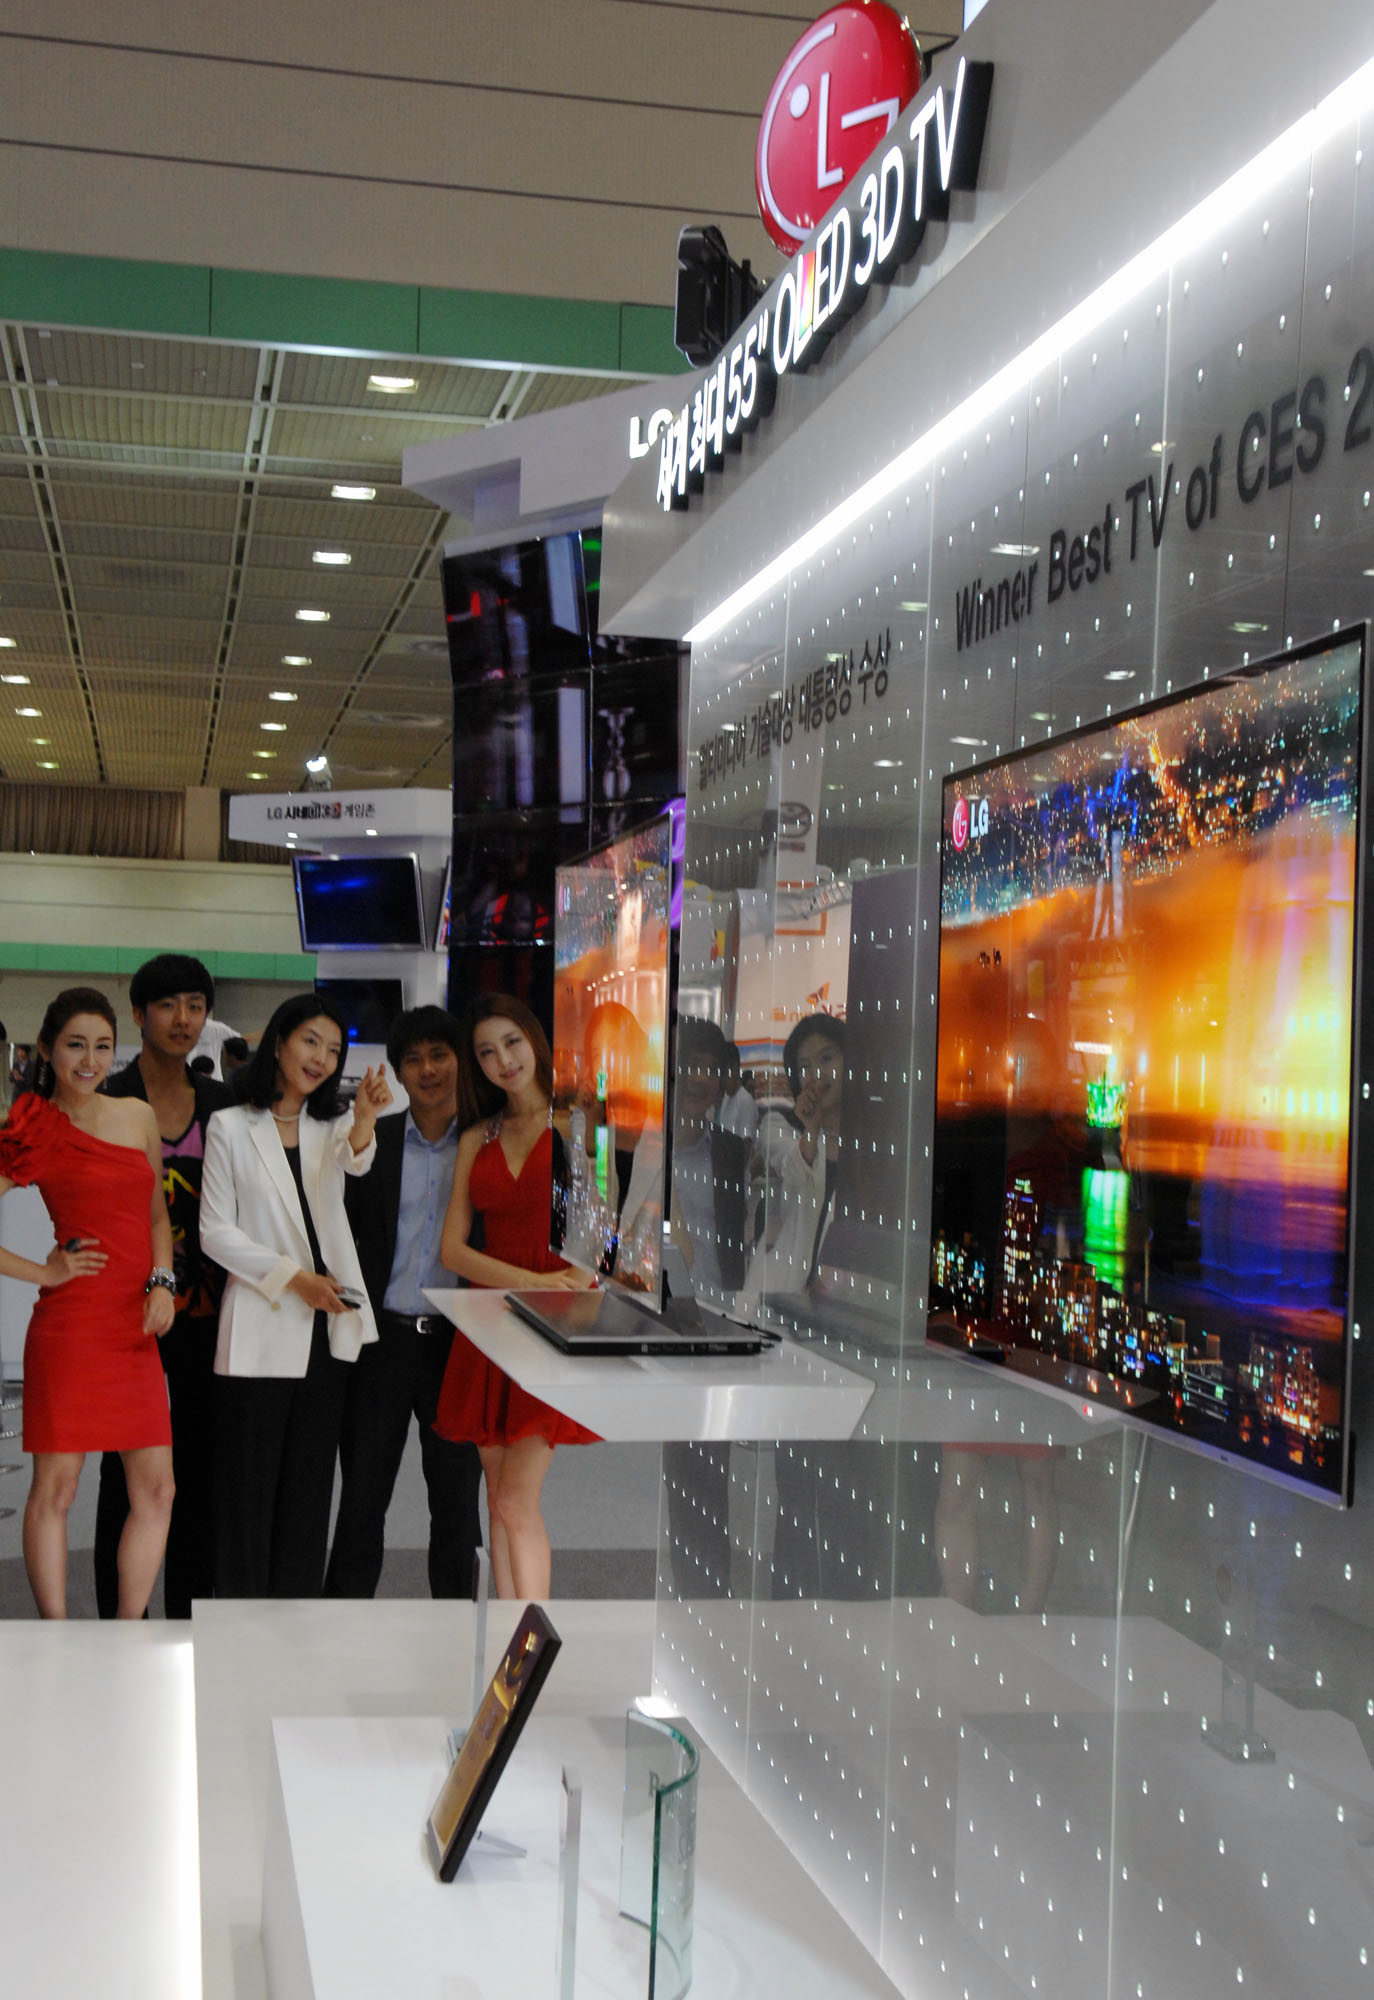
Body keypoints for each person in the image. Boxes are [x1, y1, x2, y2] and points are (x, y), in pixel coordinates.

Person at [199, 993, 392, 1596]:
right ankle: (240, 1620)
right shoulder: (231, 1125)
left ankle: (294, 1624)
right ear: (279, 1041)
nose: (321, 1057)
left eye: (333, 1050)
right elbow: (214, 1233)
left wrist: (363, 1119)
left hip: (326, 1328)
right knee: (247, 1490)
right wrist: (293, 1278)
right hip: (262, 1319)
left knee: (309, 1492)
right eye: (311, 1041)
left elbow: (356, 1161)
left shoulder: (332, 1125)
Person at [0, 987, 175, 1617]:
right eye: (75, 1045)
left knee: (157, 1490)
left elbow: (157, 1215)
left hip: (134, 1327)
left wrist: (163, 1281)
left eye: (102, 1046)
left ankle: (127, 1631)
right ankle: (56, 1633)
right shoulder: (35, 1127)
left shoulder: (136, 1116)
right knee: (58, 1488)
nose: (89, 1060)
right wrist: (43, 1273)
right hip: (71, 1328)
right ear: (47, 1048)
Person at [433, 994, 597, 1600]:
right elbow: (453, 1251)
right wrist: (529, 1283)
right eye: (486, 1051)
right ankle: (511, 1635)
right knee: (497, 1497)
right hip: (491, 1323)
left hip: (552, 1326)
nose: (503, 1060)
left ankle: (533, 1647)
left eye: (511, 1043)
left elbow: (597, 1245)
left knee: (514, 1499)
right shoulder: (477, 1137)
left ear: (534, 1041)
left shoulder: (580, 1123)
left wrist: (558, 1293)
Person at [324, 1005, 483, 1599]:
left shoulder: (482, 1145)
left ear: (459, 1060)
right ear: (396, 1072)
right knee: (362, 1496)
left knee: (456, 1507)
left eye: (439, 1055)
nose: (427, 1069)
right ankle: (342, 1617)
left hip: (456, 1346)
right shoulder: (375, 1142)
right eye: (412, 1059)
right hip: (380, 1343)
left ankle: (458, 1624)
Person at [94, 953, 232, 1619]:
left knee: (201, 1472)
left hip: (210, 1314)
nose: (184, 1019)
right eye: (170, 1006)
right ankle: (121, 1619)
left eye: (195, 1006)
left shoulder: (224, 1105)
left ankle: (189, 1617)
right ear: (139, 1013)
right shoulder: (108, 1101)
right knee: (124, 1478)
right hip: (128, 1317)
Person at [743, 1013, 847, 1301]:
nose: (816, 1073)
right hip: (780, 1295)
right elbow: (793, 1168)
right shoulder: (777, 1127)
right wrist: (811, 1131)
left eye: (827, 1058)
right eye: (805, 1066)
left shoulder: (869, 1147)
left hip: (839, 1305)